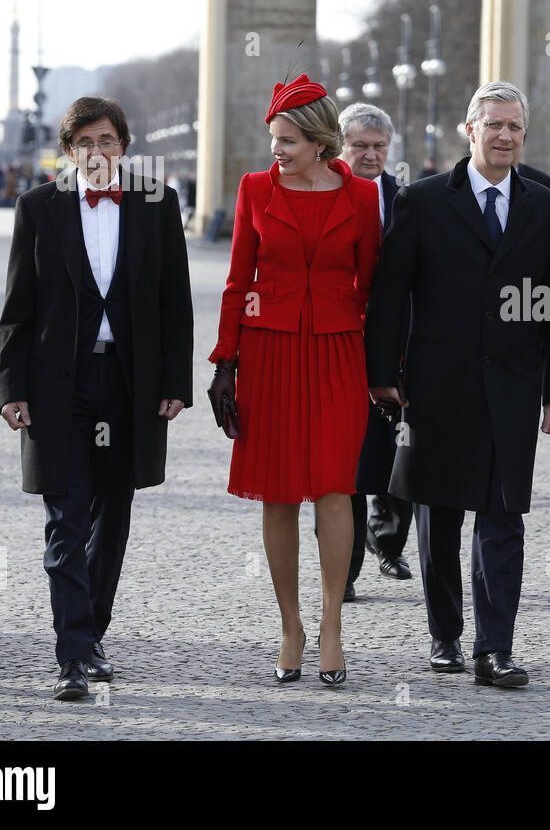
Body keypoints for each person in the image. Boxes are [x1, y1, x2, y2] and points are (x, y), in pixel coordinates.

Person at [365, 81, 550, 688]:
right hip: (438, 384)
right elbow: (390, 294)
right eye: (494, 125)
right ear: (470, 130)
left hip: (512, 385)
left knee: (504, 517)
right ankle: (446, 637)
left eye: (515, 127)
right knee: (441, 515)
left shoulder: (546, 206)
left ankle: (495, 648)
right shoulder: (423, 200)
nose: (505, 136)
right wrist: (383, 377)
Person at [0, 96, 194, 700]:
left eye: (107, 140)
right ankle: (73, 656)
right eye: (84, 142)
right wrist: (12, 388)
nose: (97, 152)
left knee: (112, 520)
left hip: (129, 385)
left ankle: (94, 635)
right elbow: (17, 308)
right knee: (65, 519)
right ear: (69, 151)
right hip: (60, 386)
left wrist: (174, 385)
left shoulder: (157, 205)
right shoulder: (37, 208)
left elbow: (174, 302)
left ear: (124, 147)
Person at [208, 75, 380, 688]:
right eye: (273, 139)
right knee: (278, 491)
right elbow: (236, 281)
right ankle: (291, 626)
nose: (275, 150)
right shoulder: (256, 189)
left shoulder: (361, 197)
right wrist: (225, 365)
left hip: (338, 352)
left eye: (285, 139)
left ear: (317, 139)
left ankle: (332, 623)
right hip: (270, 354)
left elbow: (373, 286)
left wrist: (383, 371)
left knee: (335, 486)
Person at [336, 102, 415, 593]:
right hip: (340, 340)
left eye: (378, 147)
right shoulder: (326, 194)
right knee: (342, 461)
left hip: (398, 344)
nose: (369, 155)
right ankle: (341, 570)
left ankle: (389, 545)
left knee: (397, 450)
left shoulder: (407, 199)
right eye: (360, 145)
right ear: (341, 147)